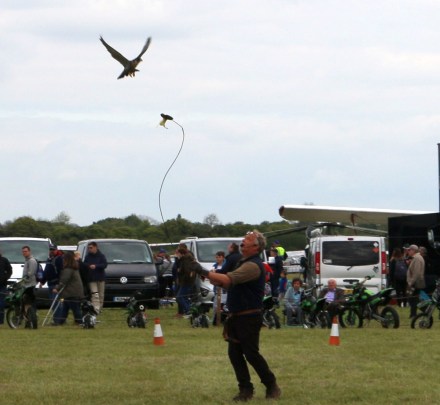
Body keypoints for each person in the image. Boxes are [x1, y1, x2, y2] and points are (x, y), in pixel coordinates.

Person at [199, 230, 281, 401]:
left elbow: (228, 280)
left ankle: (271, 385)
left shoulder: (252, 265)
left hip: (248, 317)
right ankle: (245, 389)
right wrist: (206, 275)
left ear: (256, 246)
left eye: (247, 240)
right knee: (235, 354)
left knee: (251, 354)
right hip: (237, 316)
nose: (242, 243)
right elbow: (224, 281)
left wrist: (201, 270)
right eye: (243, 240)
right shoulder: (243, 262)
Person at [52, 251, 85, 325]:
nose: (63, 260)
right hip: (72, 292)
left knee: (75, 309)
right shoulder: (74, 268)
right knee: (65, 308)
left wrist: (57, 288)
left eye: (64, 259)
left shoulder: (68, 269)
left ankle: (80, 322)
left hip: (72, 292)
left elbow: (64, 281)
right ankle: (60, 322)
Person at [175, 246, 200, 317]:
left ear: (181, 253)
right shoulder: (186, 259)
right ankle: (193, 310)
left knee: (179, 297)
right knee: (185, 297)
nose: (177, 255)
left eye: (178, 253)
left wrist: (180, 272)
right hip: (188, 281)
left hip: (186, 282)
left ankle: (189, 310)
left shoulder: (185, 260)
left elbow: (187, 272)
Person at [84, 241, 108, 313]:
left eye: (91, 248)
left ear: (95, 247)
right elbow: (85, 264)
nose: (89, 249)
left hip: (100, 278)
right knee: (94, 294)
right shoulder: (87, 256)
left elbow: (105, 265)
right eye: (88, 248)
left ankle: (100, 308)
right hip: (91, 279)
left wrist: (96, 266)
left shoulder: (101, 256)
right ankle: (95, 309)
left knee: (101, 294)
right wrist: (88, 266)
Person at [406, 244, 425, 318]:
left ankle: (414, 314)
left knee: (413, 299)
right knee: (414, 298)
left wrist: (410, 283)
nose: (408, 252)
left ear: (413, 250)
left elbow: (416, 272)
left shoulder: (417, 258)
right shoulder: (417, 257)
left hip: (416, 282)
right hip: (416, 282)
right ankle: (413, 314)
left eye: (409, 250)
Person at [21, 245, 38, 319]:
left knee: (29, 303)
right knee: (26, 303)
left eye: (25, 251)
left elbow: (31, 273)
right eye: (23, 251)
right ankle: (28, 318)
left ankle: (31, 319)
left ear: (29, 251)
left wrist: (24, 280)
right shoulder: (27, 260)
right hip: (26, 285)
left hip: (30, 285)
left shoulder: (31, 260)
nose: (24, 253)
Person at [0, 251, 12, 326]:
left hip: (2, 285)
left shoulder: (4, 260)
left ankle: (0, 321)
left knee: (1, 304)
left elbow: (10, 270)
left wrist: (5, 278)